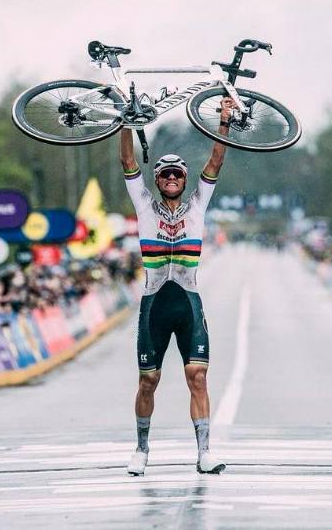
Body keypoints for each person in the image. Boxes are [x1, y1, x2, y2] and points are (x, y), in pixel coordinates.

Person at [120, 97, 235, 476]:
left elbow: (215, 162)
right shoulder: (144, 206)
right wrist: (124, 123)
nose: (171, 178)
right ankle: (141, 449)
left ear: (185, 182)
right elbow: (128, 162)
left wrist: (224, 123)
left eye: (178, 175)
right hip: (155, 302)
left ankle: (204, 452)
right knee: (148, 381)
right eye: (165, 174)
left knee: (197, 376)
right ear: (157, 181)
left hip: (187, 302)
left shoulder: (199, 205)